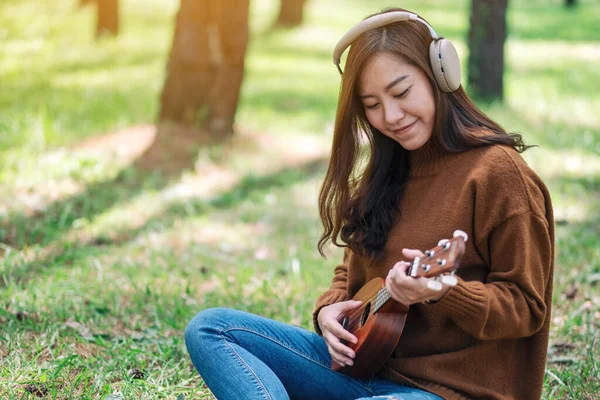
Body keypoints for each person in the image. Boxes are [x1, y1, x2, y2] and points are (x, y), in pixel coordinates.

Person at [185, 7, 554, 400]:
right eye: (372, 105)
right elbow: (352, 272)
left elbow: (526, 308)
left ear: (440, 73)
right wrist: (328, 310)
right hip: (363, 372)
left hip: (451, 391)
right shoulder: (388, 171)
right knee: (210, 329)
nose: (391, 117)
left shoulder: (497, 174)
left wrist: (444, 290)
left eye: (401, 92)